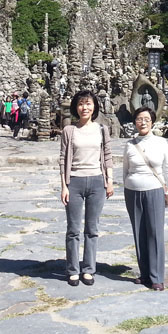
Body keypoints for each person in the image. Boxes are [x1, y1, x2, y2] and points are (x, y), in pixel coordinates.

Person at [59, 90, 114, 286]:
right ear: (76, 107)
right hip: (74, 181)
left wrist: (110, 180)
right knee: (73, 229)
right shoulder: (69, 130)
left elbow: (107, 155)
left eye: (88, 103)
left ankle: (89, 269)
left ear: (94, 107)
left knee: (92, 229)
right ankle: (73, 269)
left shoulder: (101, 129)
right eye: (81, 104)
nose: (85, 107)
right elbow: (63, 159)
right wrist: (64, 186)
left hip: (97, 182)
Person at [123, 106, 168, 291]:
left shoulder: (161, 143)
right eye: (139, 119)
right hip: (132, 191)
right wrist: (128, 185)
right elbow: (125, 170)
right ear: (135, 123)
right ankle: (144, 273)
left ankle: (156, 276)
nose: (143, 122)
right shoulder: (130, 145)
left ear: (152, 122)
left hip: (154, 190)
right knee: (139, 233)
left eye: (146, 119)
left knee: (155, 233)